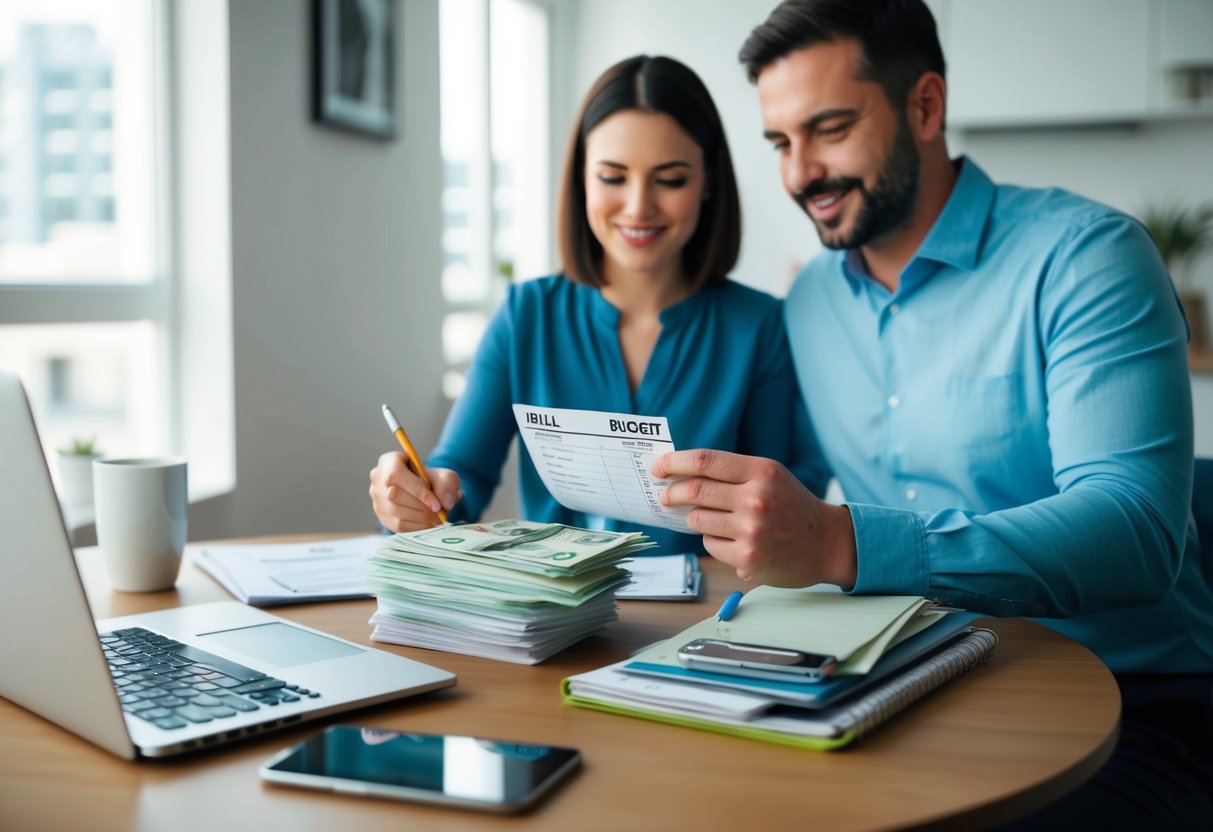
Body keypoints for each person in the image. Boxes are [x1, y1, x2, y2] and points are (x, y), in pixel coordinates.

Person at [653, 1, 1213, 827]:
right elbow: (785, 503)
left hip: (1132, 708)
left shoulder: (1088, 258)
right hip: (908, 686)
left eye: (830, 128)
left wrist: (842, 541)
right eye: (780, 142)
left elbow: (1134, 532)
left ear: (924, 107)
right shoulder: (807, 301)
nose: (799, 173)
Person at [368, 54, 821, 555]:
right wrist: (412, 500)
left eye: (670, 179)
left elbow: (778, 503)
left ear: (708, 182)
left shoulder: (759, 327)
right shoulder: (526, 316)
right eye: (612, 177)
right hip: (555, 620)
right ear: (582, 177)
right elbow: (459, 480)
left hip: (708, 616)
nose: (638, 206)